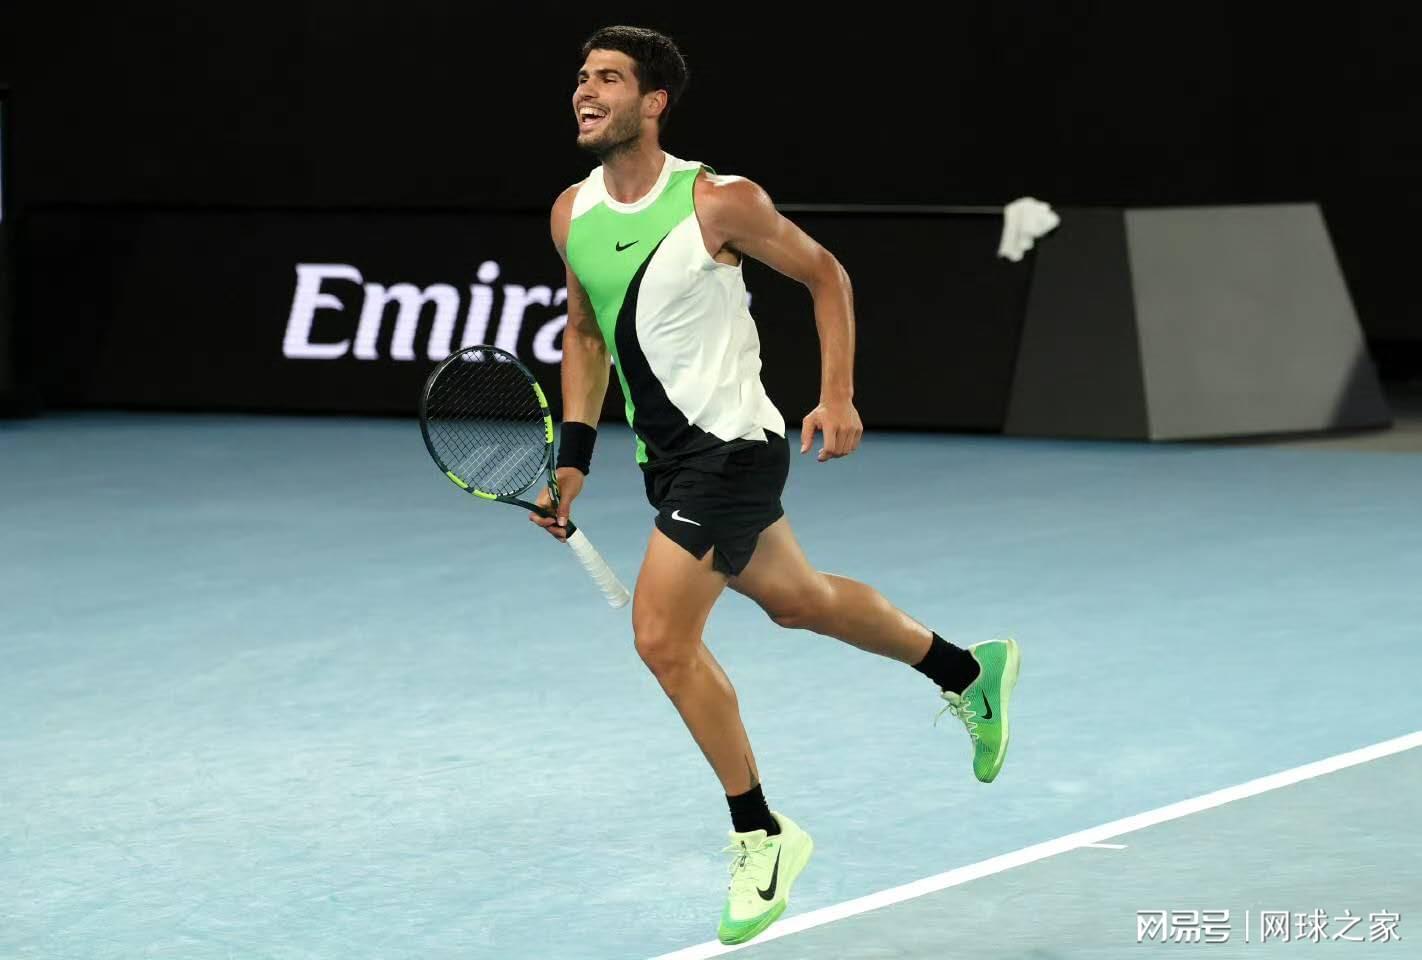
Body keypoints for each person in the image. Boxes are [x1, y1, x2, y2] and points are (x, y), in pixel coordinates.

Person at [532, 24, 1022, 947]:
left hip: (734, 449)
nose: (585, 92)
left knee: (660, 638)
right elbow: (587, 336)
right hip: (668, 460)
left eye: (609, 79)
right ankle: (967, 670)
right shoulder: (571, 213)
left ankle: (762, 834)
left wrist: (837, 394)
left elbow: (826, 275)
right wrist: (574, 460)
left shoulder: (719, 202)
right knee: (801, 602)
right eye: (582, 78)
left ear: (653, 103)